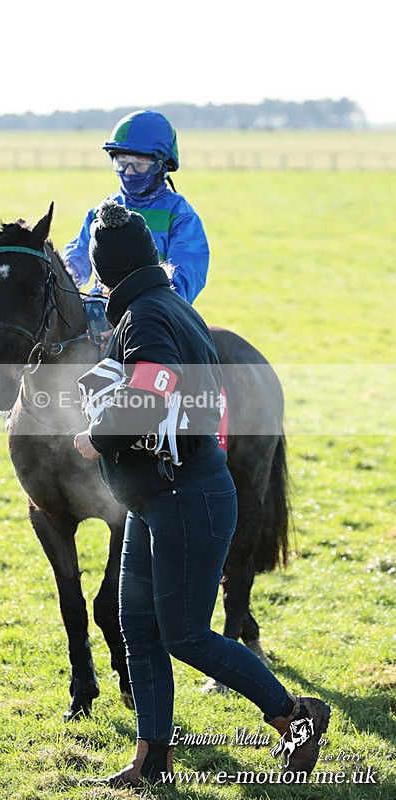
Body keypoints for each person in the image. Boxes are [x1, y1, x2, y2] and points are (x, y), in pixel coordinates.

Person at [73, 200, 331, 789]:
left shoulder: (144, 318)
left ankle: (296, 716)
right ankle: (152, 759)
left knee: (184, 632)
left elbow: (154, 392)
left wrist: (96, 436)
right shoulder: (167, 306)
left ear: (103, 268)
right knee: (138, 625)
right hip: (159, 499)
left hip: (187, 498)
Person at [63, 109, 209, 305]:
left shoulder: (181, 216)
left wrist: (142, 313)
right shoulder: (100, 213)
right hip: (101, 310)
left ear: (162, 165)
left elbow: (184, 279)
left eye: (140, 164)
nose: (129, 172)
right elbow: (76, 262)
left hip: (153, 315)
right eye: (122, 163)